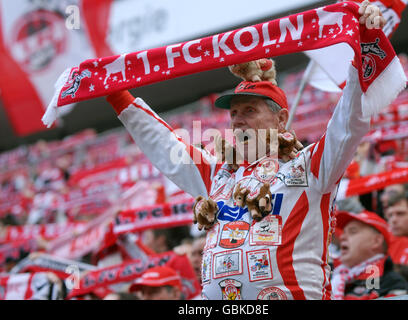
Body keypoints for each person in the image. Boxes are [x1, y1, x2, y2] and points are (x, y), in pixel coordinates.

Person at [105, 2, 387, 300]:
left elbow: (349, 122)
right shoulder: (218, 173)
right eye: (234, 113)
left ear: (280, 120)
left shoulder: (310, 166)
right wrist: (113, 91)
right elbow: (164, 145)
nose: (238, 120)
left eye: (249, 110)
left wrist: (365, 46)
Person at [331, 210, 408, 299]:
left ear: (376, 241)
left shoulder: (392, 283)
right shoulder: (329, 275)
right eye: (343, 232)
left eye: (352, 231)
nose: (342, 237)